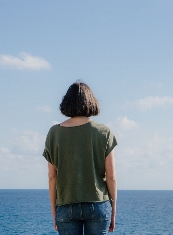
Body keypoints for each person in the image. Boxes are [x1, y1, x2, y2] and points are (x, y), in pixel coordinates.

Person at [43, 81, 118, 234]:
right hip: (98, 204)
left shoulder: (54, 133)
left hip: (66, 205)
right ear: (91, 102)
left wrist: (54, 211)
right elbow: (111, 177)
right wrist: (113, 209)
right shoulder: (104, 132)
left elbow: (52, 177)